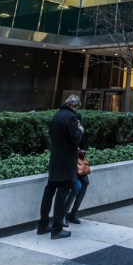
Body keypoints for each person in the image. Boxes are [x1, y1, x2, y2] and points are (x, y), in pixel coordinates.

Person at [37, 94, 83, 239]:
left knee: (49, 192)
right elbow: (76, 138)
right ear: (74, 106)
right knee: (62, 194)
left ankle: (43, 225)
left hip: (55, 162)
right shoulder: (71, 118)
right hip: (66, 163)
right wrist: (80, 129)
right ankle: (57, 228)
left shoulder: (56, 116)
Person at [64, 149, 89, 225]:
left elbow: (83, 147)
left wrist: (81, 152)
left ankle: (73, 214)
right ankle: (63, 214)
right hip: (69, 168)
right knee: (77, 187)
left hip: (79, 168)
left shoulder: (79, 137)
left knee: (84, 186)